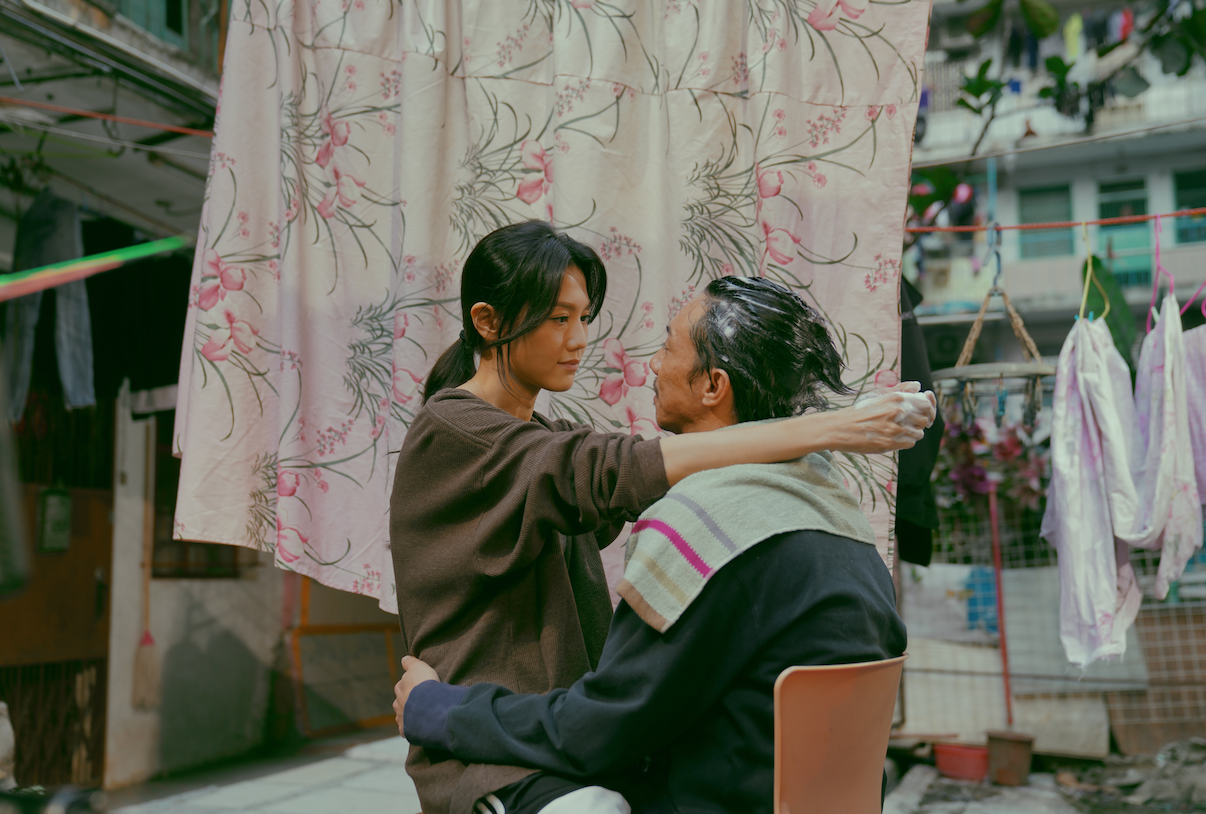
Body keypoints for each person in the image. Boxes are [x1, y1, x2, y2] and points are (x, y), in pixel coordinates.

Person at [389, 222, 931, 814]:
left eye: (582, 317)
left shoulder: (711, 524)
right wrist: (829, 427)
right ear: (488, 322)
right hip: (497, 758)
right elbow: (615, 469)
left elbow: (621, 472)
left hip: (550, 740)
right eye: (559, 318)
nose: (581, 339)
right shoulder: (455, 433)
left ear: (713, 385)